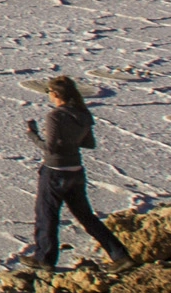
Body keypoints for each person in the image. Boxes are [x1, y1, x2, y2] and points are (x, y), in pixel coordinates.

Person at [23, 75, 133, 269]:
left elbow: (51, 148)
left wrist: (33, 135)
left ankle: (44, 258)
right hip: (76, 171)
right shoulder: (82, 113)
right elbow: (89, 143)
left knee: (46, 214)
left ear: (55, 94)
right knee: (86, 216)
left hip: (55, 171)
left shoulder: (55, 116)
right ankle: (120, 256)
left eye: (49, 92)